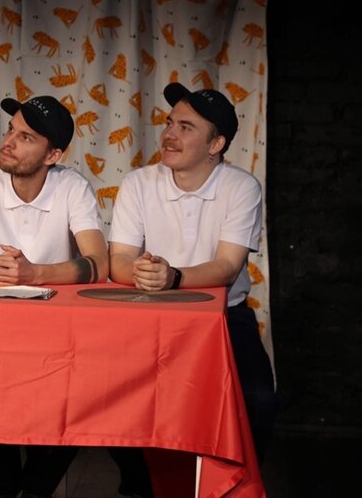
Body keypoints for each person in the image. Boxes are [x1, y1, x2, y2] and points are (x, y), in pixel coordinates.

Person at [0, 95, 108, 498]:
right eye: (11, 130)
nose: (8, 142)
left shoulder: (72, 186)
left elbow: (99, 264)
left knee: (84, 393)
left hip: (55, 331)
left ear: (53, 155)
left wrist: (35, 274)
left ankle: (33, 490)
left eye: (25, 137)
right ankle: (0, 487)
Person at [108, 82, 279, 467]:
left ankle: (230, 486)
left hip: (223, 317)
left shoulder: (241, 187)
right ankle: (140, 486)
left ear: (215, 144)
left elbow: (227, 267)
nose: (169, 134)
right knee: (106, 395)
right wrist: (141, 272)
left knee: (259, 402)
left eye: (186, 127)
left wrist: (173, 277)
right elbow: (118, 260)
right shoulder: (138, 183)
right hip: (147, 312)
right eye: (170, 123)